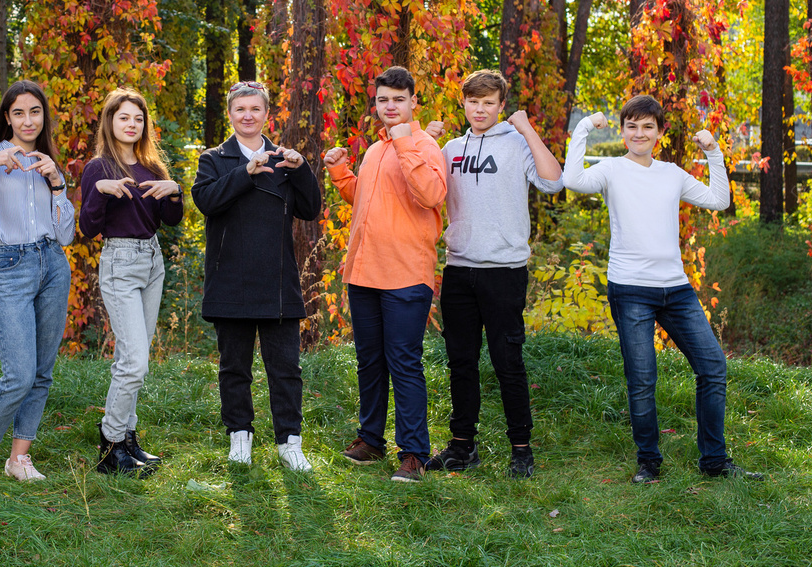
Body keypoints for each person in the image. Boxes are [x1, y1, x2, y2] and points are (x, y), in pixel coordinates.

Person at [566, 95, 761, 482]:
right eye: (632, 126)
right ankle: (648, 463)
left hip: (677, 290)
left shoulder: (672, 174)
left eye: (647, 127)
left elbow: (719, 200)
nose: (639, 133)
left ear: (659, 133)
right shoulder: (610, 170)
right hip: (630, 289)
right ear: (622, 132)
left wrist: (714, 153)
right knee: (642, 379)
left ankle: (715, 461)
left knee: (712, 367)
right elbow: (572, 180)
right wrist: (585, 128)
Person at [324, 66, 451, 484]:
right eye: (383, 100)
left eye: (398, 99)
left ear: (414, 102)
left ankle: (414, 453)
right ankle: (370, 440)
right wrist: (342, 172)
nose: (390, 106)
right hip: (363, 271)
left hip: (405, 275)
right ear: (375, 104)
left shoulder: (425, 146)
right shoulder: (375, 150)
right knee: (370, 361)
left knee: (404, 363)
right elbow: (366, 198)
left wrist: (404, 144)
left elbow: (431, 195)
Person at [433, 69, 562, 478]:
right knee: (461, 362)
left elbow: (553, 181)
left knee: (508, 362)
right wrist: (424, 142)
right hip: (458, 269)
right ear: (463, 103)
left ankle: (521, 449)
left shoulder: (516, 144)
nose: (480, 109)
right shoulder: (451, 147)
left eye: (489, 102)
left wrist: (526, 130)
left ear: (502, 105)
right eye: (473, 101)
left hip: (504, 271)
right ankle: (462, 446)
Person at [193, 82, 322, 471]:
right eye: (240, 109)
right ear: (230, 114)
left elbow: (311, 209)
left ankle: (290, 443)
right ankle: (240, 438)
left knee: (285, 368)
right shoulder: (213, 159)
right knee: (234, 367)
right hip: (229, 280)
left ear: (267, 114)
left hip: (277, 283)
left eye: (255, 109)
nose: (247, 115)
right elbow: (206, 201)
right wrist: (246, 173)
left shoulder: (285, 160)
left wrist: (302, 172)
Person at [0, 80, 75, 482]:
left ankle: (19, 459)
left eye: (35, 112)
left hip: (53, 264)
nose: (28, 120)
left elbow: (67, 235)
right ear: (6, 117)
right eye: (19, 113)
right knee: (19, 374)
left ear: (44, 116)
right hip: (9, 266)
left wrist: (57, 183)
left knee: (42, 371)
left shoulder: (49, 162)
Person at [78, 88, 185, 475]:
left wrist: (175, 193)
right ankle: (109, 445)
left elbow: (169, 220)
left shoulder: (151, 167)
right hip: (120, 261)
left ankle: (128, 438)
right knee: (136, 362)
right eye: (124, 117)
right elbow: (88, 228)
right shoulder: (98, 169)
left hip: (152, 260)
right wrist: (100, 194)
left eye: (138, 119)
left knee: (130, 360)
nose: (131, 124)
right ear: (110, 122)